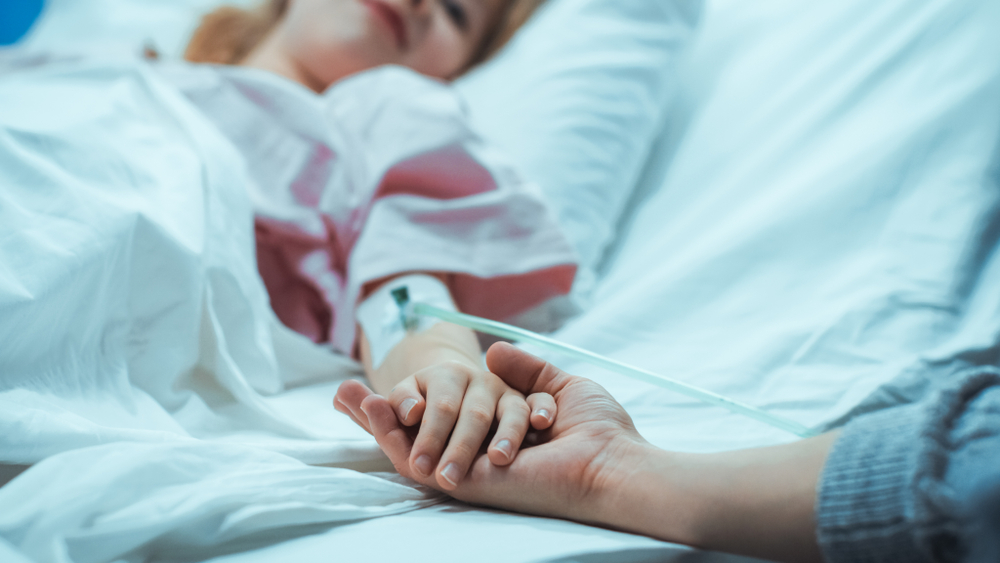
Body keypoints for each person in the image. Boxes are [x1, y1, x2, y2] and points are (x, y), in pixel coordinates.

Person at [175, 0, 575, 491]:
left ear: (460, 67)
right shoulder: (121, 79)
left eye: (455, 11)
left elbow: (403, 296)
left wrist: (445, 373)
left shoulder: (387, 107)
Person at [335, 342, 1000, 563]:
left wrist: (610, 473)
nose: (426, 7)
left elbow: (408, 305)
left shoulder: (403, 113)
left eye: (460, 12)